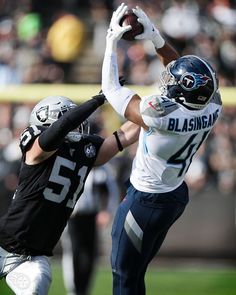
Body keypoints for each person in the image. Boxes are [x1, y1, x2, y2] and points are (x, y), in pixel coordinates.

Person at [101, 3, 222, 295]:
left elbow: (111, 90)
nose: (166, 80)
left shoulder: (161, 114)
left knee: (124, 276)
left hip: (145, 201)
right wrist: (154, 36)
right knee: (136, 272)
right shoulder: (213, 104)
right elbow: (179, 72)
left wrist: (111, 42)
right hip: (174, 195)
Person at [0, 93, 140, 295]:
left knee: (35, 290)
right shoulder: (35, 146)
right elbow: (58, 131)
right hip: (4, 243)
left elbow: (122, 137)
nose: (78, 126)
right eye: (71, 118)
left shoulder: (84, 151)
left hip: (35, 255)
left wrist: (149, 114)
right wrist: (96, 101)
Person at [61, 162, 119, 295]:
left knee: (89, 255)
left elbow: (112, 191)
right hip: (72, 216)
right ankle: (73, 290)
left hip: (91, 216)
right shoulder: (71, 163)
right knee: (74, 252)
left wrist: (107, 211)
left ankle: (84, 290)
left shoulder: (102, 169)